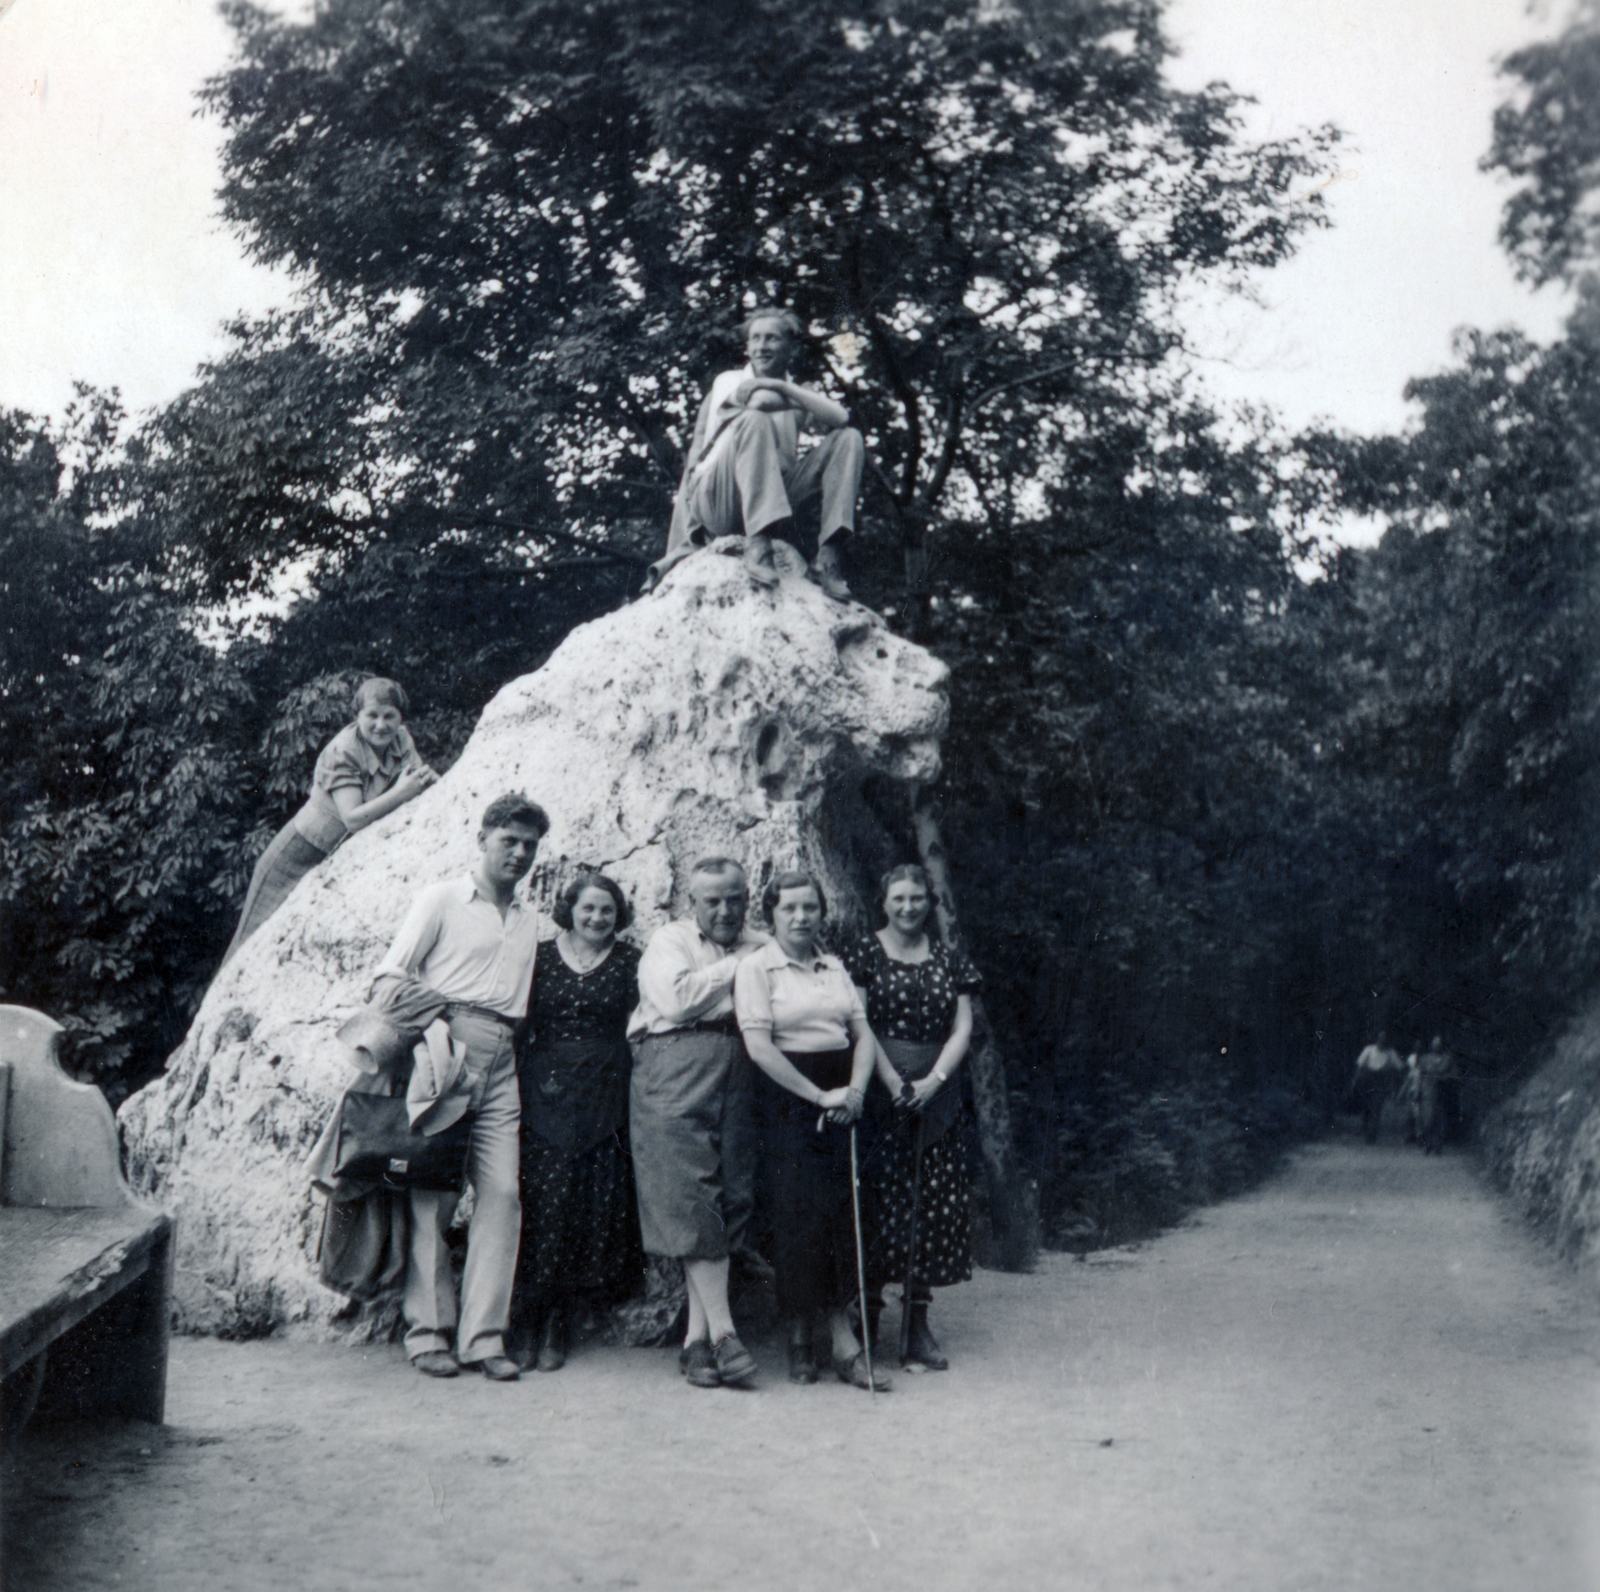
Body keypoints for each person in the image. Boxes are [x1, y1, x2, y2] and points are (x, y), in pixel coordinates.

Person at [374, 792, 549, 1381]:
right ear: (482, 839)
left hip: (504, 1056)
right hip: (446, 1049)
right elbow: (388, 978)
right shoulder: (443, 899)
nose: (519, 853)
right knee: (434, 1194)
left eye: (529, 845)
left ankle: (483, 1339)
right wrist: (436, 1027)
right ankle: (427, 1333)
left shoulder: (528, 920)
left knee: (502, 1194)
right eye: (509, 841)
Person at [735, 870, 888, 1392]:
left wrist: (855, 1092)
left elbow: (862, 1035)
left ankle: (840, 1336)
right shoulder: (757, 968)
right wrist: (820, 1096)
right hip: (787, 1098)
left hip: (845, 1093)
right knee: (797, 1217)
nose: (802, 917)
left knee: (844, 1214)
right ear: (771, 916)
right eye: (790, 908)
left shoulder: (834, 966)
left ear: (822, 913)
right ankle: (800, 1333)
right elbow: (759, 1048)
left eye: (810, 908)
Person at [626, 857, 768, 1389]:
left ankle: (696, 1341)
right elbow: (677, 999)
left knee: (729, 1196)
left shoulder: (761, 942)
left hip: (740, 1063)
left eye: (735, 899)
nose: (726, 910)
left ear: (747, 897)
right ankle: (727, 1334)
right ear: (692, 904)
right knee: (689, 1194)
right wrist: (743, 965)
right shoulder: (671, 940)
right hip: (673, 1060)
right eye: (713, 901)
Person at [843, 863, 981, 1372]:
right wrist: (891, 1082)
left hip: (936, 1094)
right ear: (883, 902)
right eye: (898, 898)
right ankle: (867, 1321)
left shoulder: (948, 957)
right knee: (879, 1202)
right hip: (883, 1092)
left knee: (930, 1204)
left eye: (917, 898)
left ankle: (917, 1325)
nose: (908, 907)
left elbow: (962, 1028)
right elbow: (860, 1024)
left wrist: (934, 1082)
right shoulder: (863, 952)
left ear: (929, 902)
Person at [508, 873, 645, 1372]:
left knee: (587, 1204)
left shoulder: (631, 961)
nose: (597, 918)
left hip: (606, 1091)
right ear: (570, 909)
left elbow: (641, 1024)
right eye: (588, 908)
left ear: (619, 914)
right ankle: (526, 1315)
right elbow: (521, 1024)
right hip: (545, 1089)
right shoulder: (541, 957)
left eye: (607, 909)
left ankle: (558, 1321)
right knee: (543, 1199)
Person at [654, 306, 865, 600]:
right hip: (720, 499)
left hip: (775, 499)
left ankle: (829, 555)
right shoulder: (728, 381)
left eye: (772, 338)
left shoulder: (790, 390)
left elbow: (841, 418)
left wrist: (780, 385)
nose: (761, 347)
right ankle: (758, 546)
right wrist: (797, 394)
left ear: (790, 346)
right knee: (755, 420)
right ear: (747, 346)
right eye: (755, 338)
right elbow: (759, 403)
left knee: (849, 439)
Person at [223, 677, 438, 964]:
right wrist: (402, 792)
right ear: (357, 716)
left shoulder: (401, 740)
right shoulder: (344, 750)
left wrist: (434, 783)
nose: (381, 725)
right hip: (296, 853)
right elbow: (353, 819)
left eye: (390, 716)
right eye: (372, 715)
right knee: (247, 946)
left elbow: (419, 781)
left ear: (400, 718)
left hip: (339, 857)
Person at [1351, 1034, 1401, 1145]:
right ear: (1377, 1039)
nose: (1382, 1042)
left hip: (1380, 1083)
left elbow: (1399, 1067)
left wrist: (1391, 1074)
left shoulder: (1390, 1053)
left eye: (1385, 1040)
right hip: (1367, 1082)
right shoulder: (1369, 1050)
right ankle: (1366, 1127)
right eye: (1381, 1039)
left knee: (1376, 1108)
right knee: (1367, 1107)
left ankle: (1371, 1135)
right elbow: (1360, 1065)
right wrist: (1355, 1081)